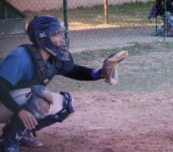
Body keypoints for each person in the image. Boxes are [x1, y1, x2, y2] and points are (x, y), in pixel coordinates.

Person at [0, 15, 126, 152]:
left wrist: (99, 73)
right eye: (55, 34)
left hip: (13, 101)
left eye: (60, 34)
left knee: (66, 105)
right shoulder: (20, 57)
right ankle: (8, 142)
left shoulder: (53, 57)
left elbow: (75, 71)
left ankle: (18, 133)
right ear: (42, 38)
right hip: (3, 101)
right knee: (40, 97)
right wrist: (20, 111)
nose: (61, 38)